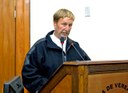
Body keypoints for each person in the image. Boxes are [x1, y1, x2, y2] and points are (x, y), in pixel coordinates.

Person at [21, 8, 91, 93]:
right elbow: (28, 75)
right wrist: (51, 87)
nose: (67, 28)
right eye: (64, 24)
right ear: (55, 23)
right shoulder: (40, 47)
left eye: (70, 25)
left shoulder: (74, 46)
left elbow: (88, 67)